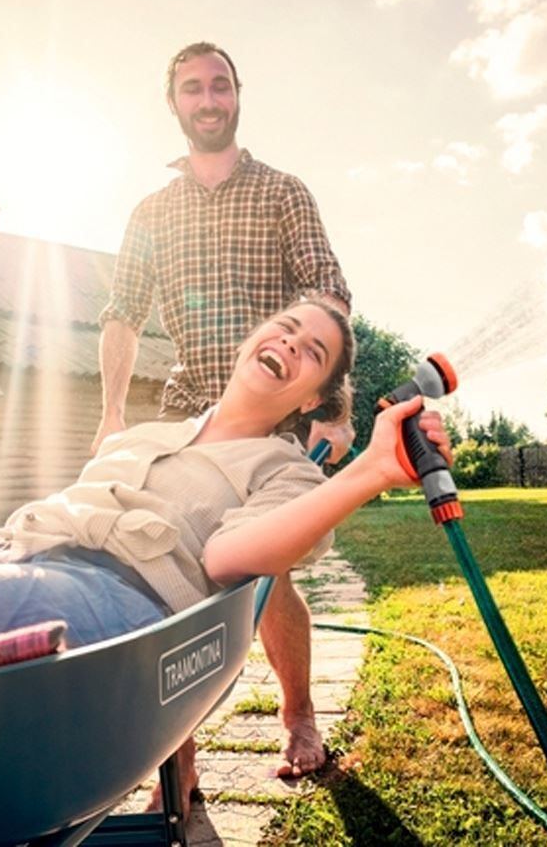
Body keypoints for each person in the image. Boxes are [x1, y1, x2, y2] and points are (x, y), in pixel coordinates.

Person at [0, 300, 451, 823]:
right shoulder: (142, 436)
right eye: (285, 328)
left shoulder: (282, 470)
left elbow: (230, 558)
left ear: (313, 396)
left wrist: (369, 471)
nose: (290, 343)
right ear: (249, 339)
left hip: (107, 592)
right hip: (8, 557)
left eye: (313, 352)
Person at [94, 41, 354, 782]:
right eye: (192, 89)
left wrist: (332, 406)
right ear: (173, 103)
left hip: (271, 417)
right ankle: (177, 768)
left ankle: (298, 715)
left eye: (219, 86)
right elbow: (122, 313)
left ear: (238, 95)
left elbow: (327, 293)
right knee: (162, 577)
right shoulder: (151, 212)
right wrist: (112, 412)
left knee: (268, 576)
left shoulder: (282, 193)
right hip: (187, 412)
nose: (207, 100)